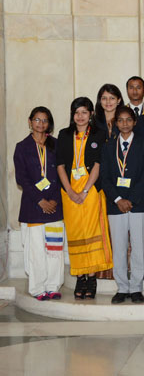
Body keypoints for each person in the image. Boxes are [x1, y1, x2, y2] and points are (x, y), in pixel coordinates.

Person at [57, 97, 112, 299]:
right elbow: (60, 165)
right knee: (76, 233)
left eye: (84, 112)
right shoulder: (64, 135)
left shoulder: (99, 134)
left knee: (91, 232)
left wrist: (85, 191)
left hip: (91, 191)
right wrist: (71, 192)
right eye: (76, 112)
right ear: (72, 115)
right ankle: (80, 276)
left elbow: (98, 164)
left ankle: (91, 277)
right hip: (69, 191)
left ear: (90, 114)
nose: (80, 116)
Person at [101, 106, 144, 304]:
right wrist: (118, 200)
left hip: (138, 205)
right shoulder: (108, 146)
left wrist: (131, 200)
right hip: (115, 205)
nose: (124, 123)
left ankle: (136, 288)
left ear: (134, 122)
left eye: (128, 120)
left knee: (139, 247)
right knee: (120, 247)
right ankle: (122, 287)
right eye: (120, 120)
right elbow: (104, 178)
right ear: (115, 123)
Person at [14, 107, 65, 300]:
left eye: (44, 120)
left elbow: (62, 174)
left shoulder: (56, 144)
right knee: (36, 250)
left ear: (49, 123)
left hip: (54, 206)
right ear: (30, 122)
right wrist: (40, 200)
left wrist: (53, 200)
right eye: (37, 120)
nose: (40, 124)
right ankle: (37, 288)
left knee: (54, 249)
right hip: (33, 206)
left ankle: (53, 286)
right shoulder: (22, 147)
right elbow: (22, 178)